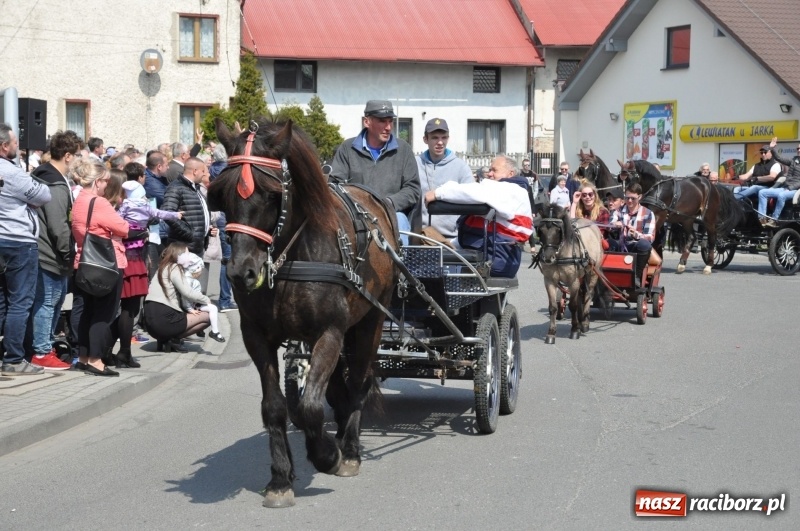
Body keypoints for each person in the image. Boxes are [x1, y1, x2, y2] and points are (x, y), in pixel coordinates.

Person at [70, 160, 135, 377]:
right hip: (107, 264)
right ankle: (96, 360)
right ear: (97, 181)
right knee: (103, 314)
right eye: (106, 181)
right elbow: (123, 228)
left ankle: (83, 358)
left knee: (87, 312)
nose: (107, 185)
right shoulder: (99, 202)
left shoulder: (79, 199)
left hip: (84, 262)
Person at [26, 130, 83, 371]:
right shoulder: (56, 184)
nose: (80, 160)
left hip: (45, 251)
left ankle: (44, 347)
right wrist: (68, 252)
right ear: (67, 156)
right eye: (78, 155)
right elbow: (58, 225)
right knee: (48, 303)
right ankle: (41, 351)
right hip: (50, 254)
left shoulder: (42, 175)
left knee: (49, 302)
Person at [423, 155, 533, 278]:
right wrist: (446, 244)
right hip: (499, 254)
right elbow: (483, 234)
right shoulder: (512, 192)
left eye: (494, 170)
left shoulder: (511, 189)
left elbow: (475, 191)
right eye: (490, 170)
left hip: (494, 257)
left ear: (510, 173)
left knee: (431, 270)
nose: (489, 174)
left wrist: (438, 193)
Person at [0, 123, 52, 376]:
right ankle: (13, 358)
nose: (18, 147)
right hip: (18, 241)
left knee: (2, 302)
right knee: (20, 303)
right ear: (4, 146)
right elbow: (43, 195)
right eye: (15, 143)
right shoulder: (11, 172)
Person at [330, 100, 420, 245]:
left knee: (401, 220)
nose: (388, 127)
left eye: (390, 121)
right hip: (355, 216)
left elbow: (413, 189)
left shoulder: (404, 150)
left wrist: (388, 203)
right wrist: (356, 206)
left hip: (391, 214)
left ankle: (400, 259)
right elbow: (335, 186)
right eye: (382, 121)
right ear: (367, 122)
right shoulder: (347, 148)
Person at [142, 243, 211, 352]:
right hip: (164, 317)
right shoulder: (174, 267)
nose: (189, 257)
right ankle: (173, 339)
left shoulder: (162, 267)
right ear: (179, 255)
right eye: (187, 253)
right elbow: (187, 292)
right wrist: (207, 300)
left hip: (150, 321)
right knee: (208, 316)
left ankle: (165, 339)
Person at [162, 157, 216, 292]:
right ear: (195, 171)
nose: (206, 174)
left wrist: (206, 229)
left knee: (192, 288)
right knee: (182, 289)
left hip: (195, 247)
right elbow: (168, 214)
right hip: (183, 248)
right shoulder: (176, 188)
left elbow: (195, 214)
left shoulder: (195, 188)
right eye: (204, 171)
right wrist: (190, 233)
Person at [416, 118, 473, 242]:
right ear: (425, 139)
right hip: (419, 236)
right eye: (435, 138)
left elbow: (472, 195)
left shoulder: (461, 167)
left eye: (444, 137)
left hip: (452, 238)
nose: (440, 142)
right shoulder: (414, 164)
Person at [609, 183, 656, 287]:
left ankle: (636, 276)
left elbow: (650, 237)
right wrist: (615, 225)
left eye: (633, 198)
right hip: (620, 244)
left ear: (640, 197)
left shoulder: (648, 213)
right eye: (627, 198)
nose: (629, 201)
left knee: (644, 245)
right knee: (608, 243)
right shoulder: (618, 211)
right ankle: (609, 274)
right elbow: (610, 225)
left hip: (636, 245)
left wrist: (636, 234)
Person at [177, 252, 225, 342]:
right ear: (196, 269)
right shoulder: (188, 280)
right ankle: (213, 331)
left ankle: (211, 331)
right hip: (191, 306)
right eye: (201, 269)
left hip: (194, 304)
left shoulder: (190, 279)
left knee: (212, 308)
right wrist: (190, 309)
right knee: (213, 309)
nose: (201, 272)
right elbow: (185, 296)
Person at [757, 136, 800, 227]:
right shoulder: (794, 160)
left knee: (781, 195)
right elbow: (779, 158)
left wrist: (790, 188)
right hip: (786, 188)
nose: (799, 150)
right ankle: (762, 219)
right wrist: (772, 148)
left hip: (796, 190)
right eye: (798, 148)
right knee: (762, 192)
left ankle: (774, 220)